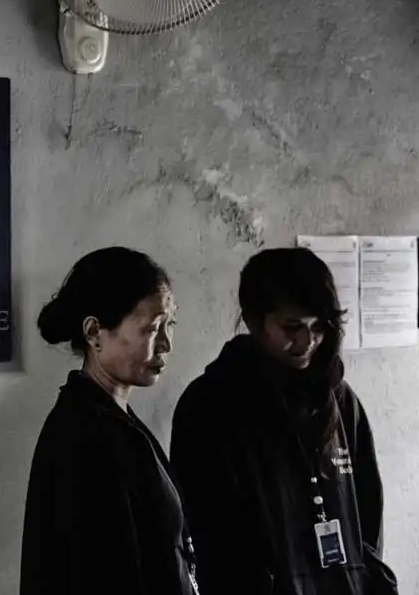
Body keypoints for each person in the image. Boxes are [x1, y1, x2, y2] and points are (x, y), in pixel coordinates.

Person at [170, 247, 399, 595]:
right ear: (253, 320)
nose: (307, 342)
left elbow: (367, 510)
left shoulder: (339, 399)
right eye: (292, 327)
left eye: (319, 326)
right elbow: (207, 534)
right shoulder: (209, 406)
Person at [20, 246, 199, 595]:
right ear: (94, 333)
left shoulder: (116, 422)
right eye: (152, 328)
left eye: (169, 324)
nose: (166, 344)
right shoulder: (83, 436)